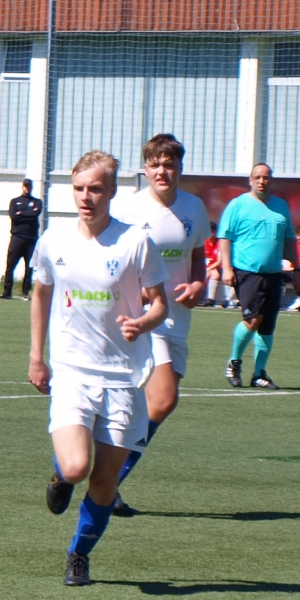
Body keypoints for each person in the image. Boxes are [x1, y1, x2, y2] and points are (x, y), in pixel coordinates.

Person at [28, 149, 167, 586]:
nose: (86, 197)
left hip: (123, 377)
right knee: (76, 468)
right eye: (79, 189)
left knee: (105, 481)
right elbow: (41, 294)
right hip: (72, 371)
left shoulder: (136, 242)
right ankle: (60, 476)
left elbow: (159, 304)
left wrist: (143, 323)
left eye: (95, 189)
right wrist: (36, 356)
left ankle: (79, 555)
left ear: (111, 192)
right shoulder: (53, 240)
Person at [108, 133, 210, 515]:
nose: (162, 171)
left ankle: (106, 477)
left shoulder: (194, 207)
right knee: (163, 400)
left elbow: (197, 256)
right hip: (145, 317)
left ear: (180, 167)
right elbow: (115, 260)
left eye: (169, 164)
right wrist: (135, 291)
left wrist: (198, 284)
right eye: (155, 165)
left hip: (178, 318)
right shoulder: (131, 210)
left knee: (151, 406)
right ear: (146, 169)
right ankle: (107, 481)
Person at [216, 163, 294, 388]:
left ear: (271, 180)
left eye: (266, 177)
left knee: (267, 325)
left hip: (274, 273)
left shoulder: (281, 206)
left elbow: (289, 238)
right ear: (250, 180)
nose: (262, 181)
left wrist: (297, 269)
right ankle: (234, 362)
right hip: (248, 271)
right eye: (257, 177)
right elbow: (225, 237)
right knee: (253, 320)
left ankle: (259, 374)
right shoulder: (238, 205)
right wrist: (227, 268)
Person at [2, 178, 44, 299]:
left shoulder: (37, 202)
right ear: (22, 187)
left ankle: (25, 293)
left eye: (29, 186)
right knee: (10, 265)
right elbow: (13, 216)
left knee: (29, 267)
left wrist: (21, 213)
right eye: (25, 186)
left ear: (31, 187)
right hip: (17, 237)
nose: (27, 188)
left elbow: (35, 214)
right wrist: (27, 214)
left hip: (31, 239)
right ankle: (7, 292)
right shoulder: (15, 201)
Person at [202, 232, 230, 306]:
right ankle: (197, 296)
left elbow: (219, 261)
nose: (211, 235)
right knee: (204, 274)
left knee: (215, 274)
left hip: (212, 268)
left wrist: (208, 269)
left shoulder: (219, 243)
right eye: (210, 232)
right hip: (202, 267)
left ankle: (210, 299)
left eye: (213, 232)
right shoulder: (203, 242)